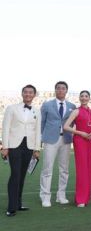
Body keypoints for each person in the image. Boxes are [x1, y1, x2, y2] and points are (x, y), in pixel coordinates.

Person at [1, 85, 41, 217]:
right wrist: (5, 147)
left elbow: (37, 131)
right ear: (22, 93)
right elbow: (5, 128)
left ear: (34, 95)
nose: (28, 94)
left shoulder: (37, 111)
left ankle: (18, 203)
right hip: (14, 145)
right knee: (15, 174)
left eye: (31, 92)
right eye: (26, 92)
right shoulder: (11, 108)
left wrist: (37, 148)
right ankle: (11, 207)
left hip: (29, 146)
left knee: (22, 175)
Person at [40, 81, 76, 207]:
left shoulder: (72, 106)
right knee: (47, 169)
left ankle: (61, 195)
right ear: (55, 90)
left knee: (64, 170)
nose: (61, 90)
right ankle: (45, 196)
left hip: (66, 140)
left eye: (63, 88)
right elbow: (42, 123)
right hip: (50, 140)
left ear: (66, 91)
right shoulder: (47, 105)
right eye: (58, 88)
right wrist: (40, 138)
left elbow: (75, 123)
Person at [63, 90, 91, 207]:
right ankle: (80, 199)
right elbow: (66, 126)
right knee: (82, 169)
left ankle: (86, 197)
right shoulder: (76, 111)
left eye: (86, 96)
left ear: (89, 98)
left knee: (88, 168)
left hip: (90, 140)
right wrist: (80, 133)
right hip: (80, 140)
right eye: (81, 96)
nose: (84, 98)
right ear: (79, 98)